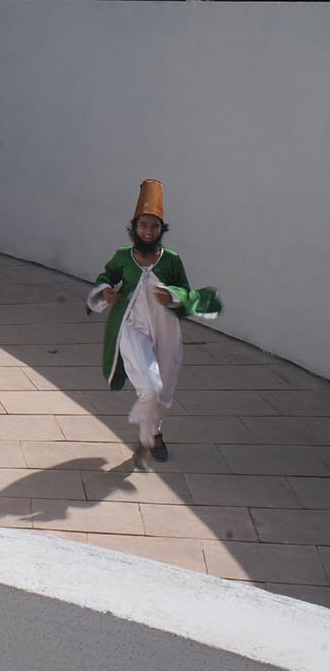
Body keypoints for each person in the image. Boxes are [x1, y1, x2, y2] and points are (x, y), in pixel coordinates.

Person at [86, 180, 223, 461]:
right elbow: (105, 277)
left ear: (162, 230)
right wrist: (106, 292)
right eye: (143, 225)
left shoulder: (171, 260)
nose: (148, 231)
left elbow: (186, 291)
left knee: (164, 387)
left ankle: (152, 433)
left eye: (154, 226)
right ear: (135, 227)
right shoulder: (123, 256)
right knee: (150, 385)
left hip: (165, 330)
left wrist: (171, 296)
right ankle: (149, 433)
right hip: (132, 326)